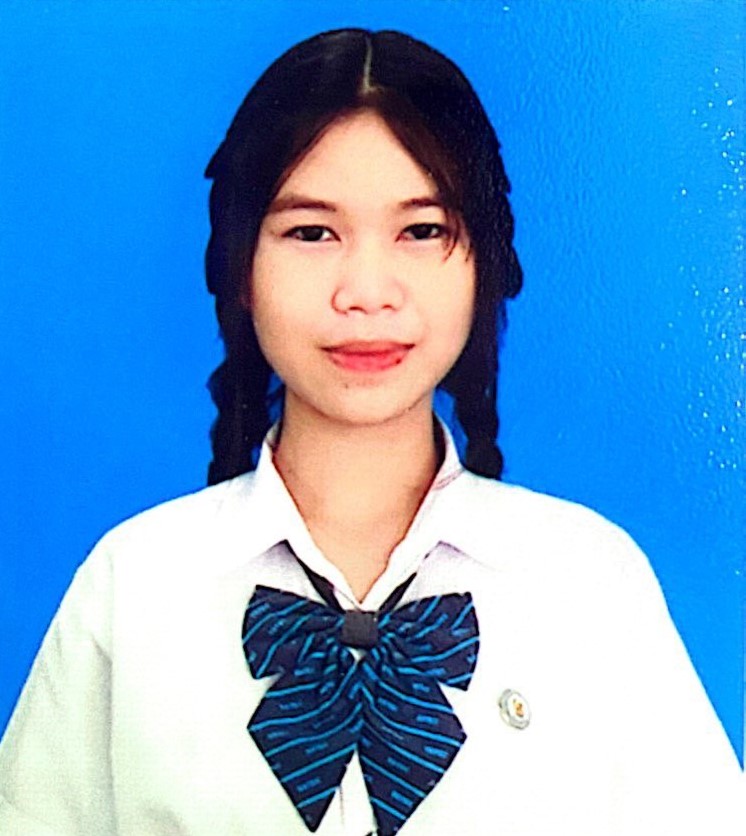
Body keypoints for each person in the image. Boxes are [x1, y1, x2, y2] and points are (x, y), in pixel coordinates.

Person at [0, 28, 741, 836]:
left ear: (484, 264)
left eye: (422, 231)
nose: (366, 291)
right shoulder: (134, 585)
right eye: (312, 232)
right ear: (240, 267)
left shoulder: (589, 581)